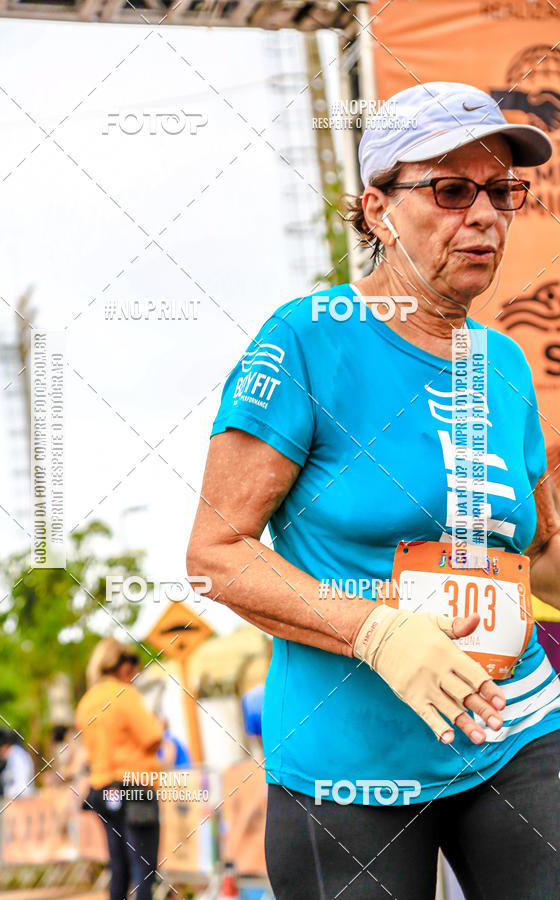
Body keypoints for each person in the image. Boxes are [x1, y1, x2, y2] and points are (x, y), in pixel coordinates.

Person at [187, 82, 560, 898]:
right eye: (450, 190)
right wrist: (379, 633)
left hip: (517, 732)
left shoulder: (504, 366)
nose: (487, 217)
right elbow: (216, 555)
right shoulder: (306, 339)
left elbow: (538, 547)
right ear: (378, 209)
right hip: (348, 767)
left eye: (503, 192)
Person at [75, 638, 165, 900]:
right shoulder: (124, 695)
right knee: (144, 867)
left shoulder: (86, 702)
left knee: (119, 865)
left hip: (103, 788)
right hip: (134, 786)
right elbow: (150, 736)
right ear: (123, 665)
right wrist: (159, 724)